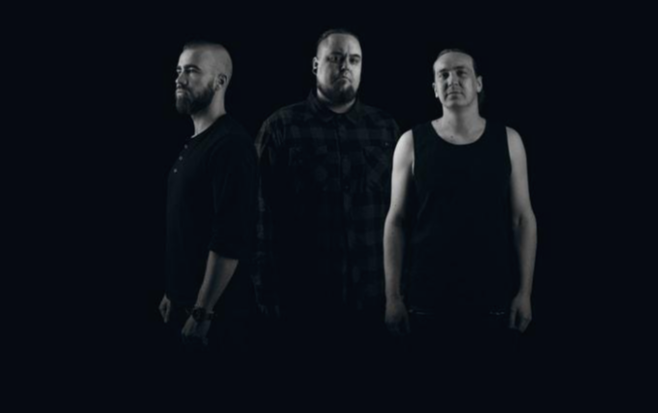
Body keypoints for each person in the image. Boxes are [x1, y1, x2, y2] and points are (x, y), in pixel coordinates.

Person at [383, 48, 538, 377]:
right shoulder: (411, 142)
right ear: (434, 88)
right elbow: (396, 221)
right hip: (426, 301)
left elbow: (522, 219)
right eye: (443, 74)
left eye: (461, 72)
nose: (452, 80)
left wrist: (524, 293)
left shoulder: (509, 140)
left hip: (494, 299)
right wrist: (392, 297)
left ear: (478, 83)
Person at [254, 29, 400, 370]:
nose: (345, 66)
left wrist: (400, 292)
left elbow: (404, 215)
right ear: (316, 65)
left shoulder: (386, 128)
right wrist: (265, 291)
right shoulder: (281, 127)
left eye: (354, 59)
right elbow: (259, 215)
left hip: (374, 301)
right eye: (335, 58)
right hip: (303, 301)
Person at [159, 40, 259, 362]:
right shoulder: (195, 143)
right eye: (178, 70)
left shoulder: (231, 145)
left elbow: (230, 237)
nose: (179, 79)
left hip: (216, 321)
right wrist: (173, 292)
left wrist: (202, 312)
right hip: (184, 306)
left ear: (219, 81)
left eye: (191, 70)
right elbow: (188, 225)